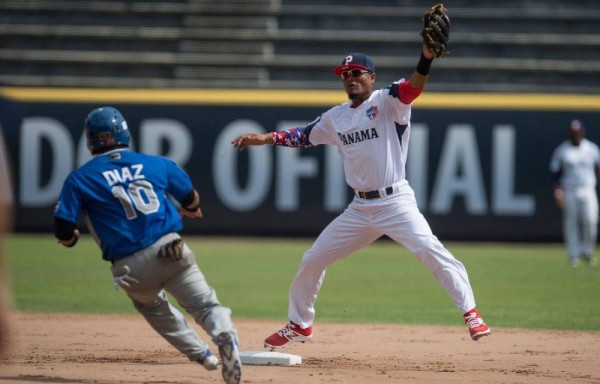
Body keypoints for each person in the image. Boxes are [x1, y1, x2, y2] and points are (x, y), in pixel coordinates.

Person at [231, 46, 491, 347]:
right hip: (360, 207)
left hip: (395, 201)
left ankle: (470, 312)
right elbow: (304, 135)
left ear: (371, 77)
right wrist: (267, 138)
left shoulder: (388, 100)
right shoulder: (336, 117)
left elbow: (414, 87)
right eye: (345, 74)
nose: (350, 78)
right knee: (314, 258)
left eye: (356, 73)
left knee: (428, 249)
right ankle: (300, 324)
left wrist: (426, 59)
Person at [53, 107, 241, 384]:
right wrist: (191, 207)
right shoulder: (156, 163)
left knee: (152, 306)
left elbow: (63, 228)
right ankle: (224, 332)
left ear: (90, 140)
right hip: (170, 249)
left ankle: (202, 355)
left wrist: (70, 239)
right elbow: (190, 198)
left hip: (130, 265)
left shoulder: (80, 178)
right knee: (204, 305)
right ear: (124, 133)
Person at [550, 119, 600, 268]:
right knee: (571, 223)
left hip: (588, 189)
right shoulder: (562, 151)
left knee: (591, 220)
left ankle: (587, 250)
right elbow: (555, 173)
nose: (575, 136)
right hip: (569, 190)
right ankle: (573, 254)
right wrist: (558, 191)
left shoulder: (592, 149)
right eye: (573, 133)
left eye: (577, 133)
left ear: (582, 133)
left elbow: (598, 169)